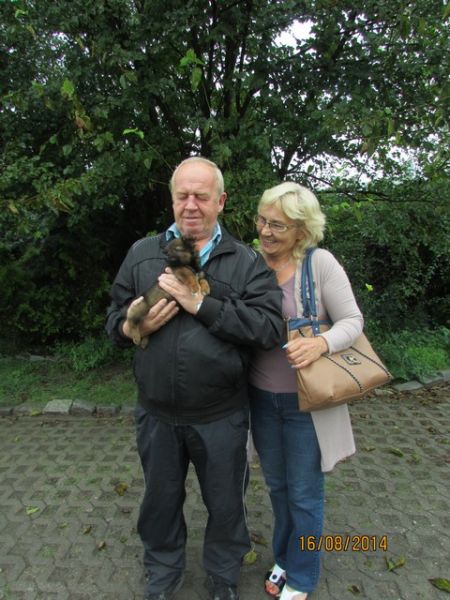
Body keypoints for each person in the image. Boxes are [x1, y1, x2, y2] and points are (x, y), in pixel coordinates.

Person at [105, 157, 284, 600]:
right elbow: (113, 319)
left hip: (221, 415)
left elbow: (268, 328)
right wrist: (130, 326)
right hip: (156, 414)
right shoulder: (141, 253)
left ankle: (223, 577)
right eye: (182, 195)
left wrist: (201, 304)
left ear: (220, 202)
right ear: (171, 199)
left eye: (201, 196)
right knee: (160, 502)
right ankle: (163, 572)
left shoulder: (245, 261)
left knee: (226, 504)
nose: (190, 205)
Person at [248, 182, 364, 600]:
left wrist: (321, 343)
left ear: (302, 229)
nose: (265, 231)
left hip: (307, 403)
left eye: (277, 224)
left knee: (304, 493)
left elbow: (352, 321)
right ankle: (284, 558)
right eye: (262, 220)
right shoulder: (250, 263)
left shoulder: (320, 264)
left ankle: (302, 576)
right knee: (278, 489)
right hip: (261, 399)